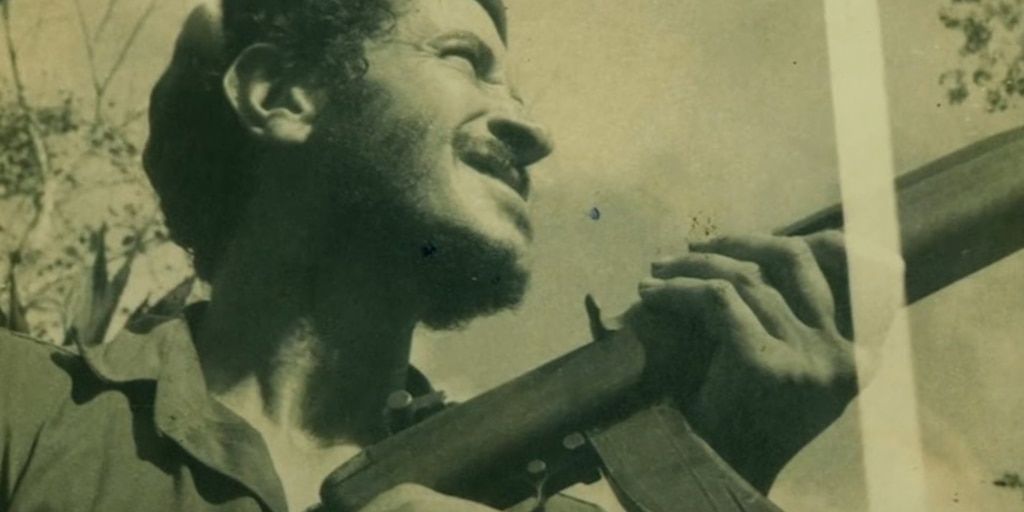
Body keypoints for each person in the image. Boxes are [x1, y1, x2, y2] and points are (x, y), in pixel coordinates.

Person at [0, 0, 871, 511]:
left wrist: (731, 462)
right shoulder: (25, 408)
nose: (533, 130)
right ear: (280, 96)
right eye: (464, 62)